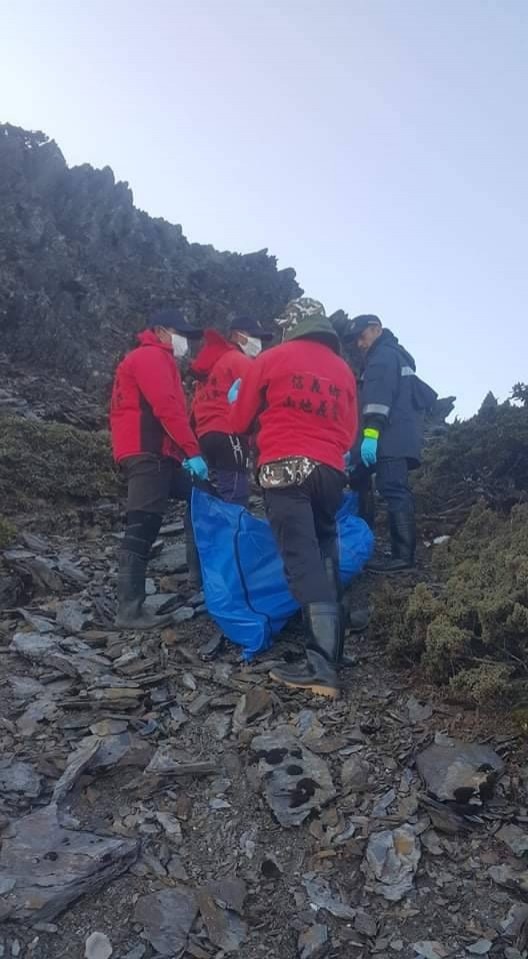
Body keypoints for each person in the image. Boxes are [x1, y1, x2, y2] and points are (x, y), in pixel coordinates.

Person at [230, 298, 359, 699]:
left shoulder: (272, 358)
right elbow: (351, 432)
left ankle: (321, 666)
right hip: (331, 473)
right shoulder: (344, 371)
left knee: (301, 558)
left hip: (285, 467)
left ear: (292, 326)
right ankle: (333, 648)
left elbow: (237, 420)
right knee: (324, 550)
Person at [110, 308, 208, 629]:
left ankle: (198, 576)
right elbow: (166, 408)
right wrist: (192, 451)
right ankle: (130, 611)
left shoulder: (158, 359)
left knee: (198, 494)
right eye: (181, 333)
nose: (185, 341)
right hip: (146, 452)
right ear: (162, 331)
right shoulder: (150, 357)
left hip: (158, 453)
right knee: (143, 525)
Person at [345, 314, 437, 573]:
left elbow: (377, 399)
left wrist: (371, 436)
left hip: (389, 437)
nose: (360, 344)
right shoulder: (396, 356)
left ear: (377, 330)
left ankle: (402, 557)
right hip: (399, 436)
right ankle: (373, 546)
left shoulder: (382, 356)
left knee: (393, 490)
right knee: (366, 482)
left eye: (362, 337)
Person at [190, 317, 272, 505]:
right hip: (229, 432)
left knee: (213, 491)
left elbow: (196, 404)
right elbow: (259, 395)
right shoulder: (238, 360)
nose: (258, 342)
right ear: (237, 335)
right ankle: (231, 532)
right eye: (254, 336)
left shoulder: (210, 365)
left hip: (205, 435)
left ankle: (211, 532)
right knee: (234, 492)